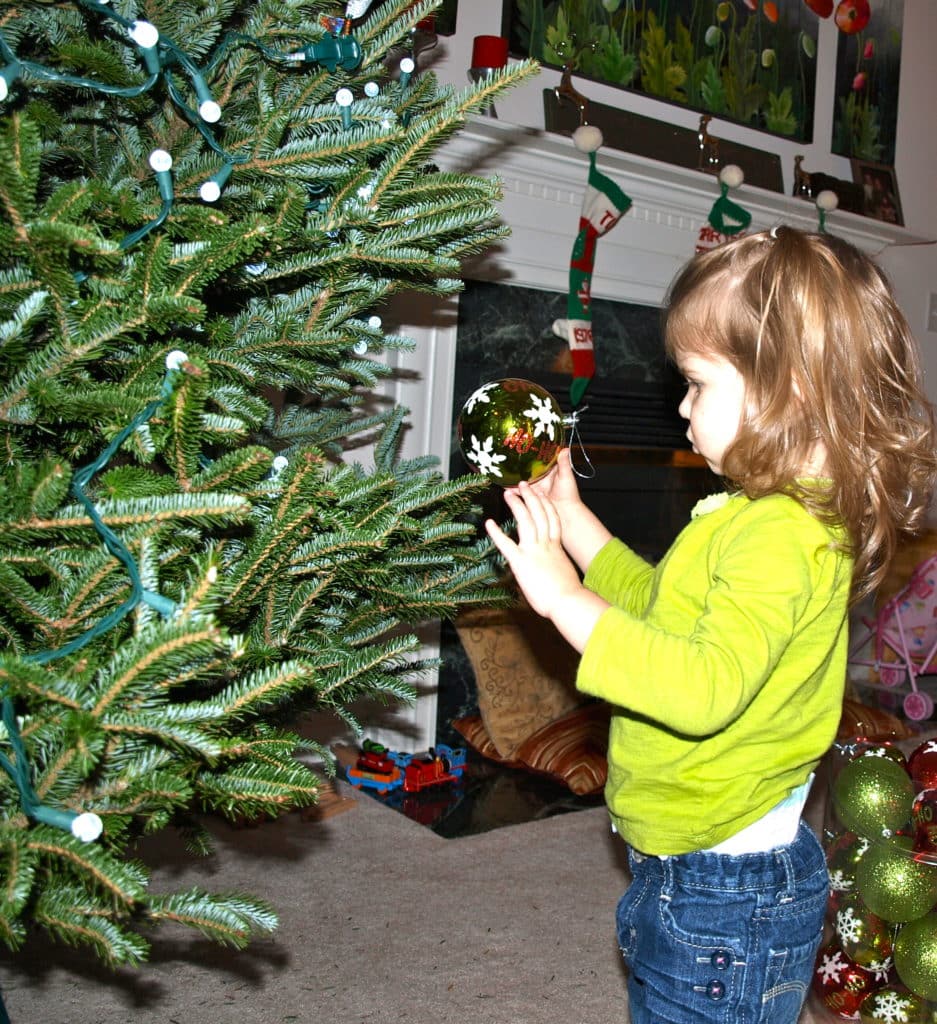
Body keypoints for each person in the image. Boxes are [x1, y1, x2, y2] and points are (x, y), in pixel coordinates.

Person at [484, 227, 937, 1024]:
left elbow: (697, 687)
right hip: (699, 872)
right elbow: (665, 607)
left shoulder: (780, 536)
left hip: (724, 899)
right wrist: (577, 524)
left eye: (695, 383)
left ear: (787, 390)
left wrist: (560, 600)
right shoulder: (755, 517)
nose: (680, 405)